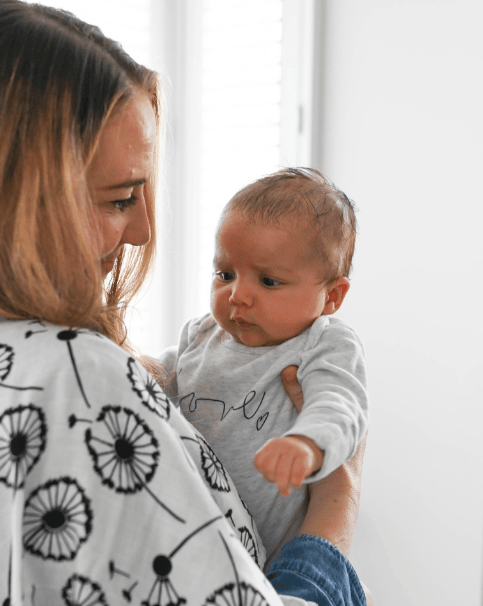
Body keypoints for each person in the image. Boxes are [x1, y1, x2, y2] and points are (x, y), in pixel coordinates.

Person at [0, 0, 368, 606]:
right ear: (12, 202)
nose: (143, 230)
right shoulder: (74, 380)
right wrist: (336, 509)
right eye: (118, 199)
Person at [156, 169, 369, 566]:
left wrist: (307, 443)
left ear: (332, 296)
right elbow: (160, 376)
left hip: (268, 561)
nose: (238, 295)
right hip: (191, 534)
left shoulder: (323, 344)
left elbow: (342, 406)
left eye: (268, 281)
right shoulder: (203, 333)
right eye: (225, 274)